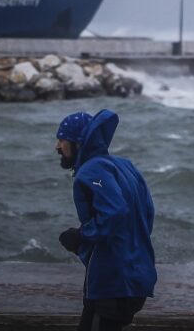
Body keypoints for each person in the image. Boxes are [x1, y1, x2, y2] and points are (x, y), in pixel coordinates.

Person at [55, 109, 157, 331]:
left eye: (62, 139)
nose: (57, 146)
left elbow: (115, 212)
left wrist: (81, 236)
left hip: (112, 282)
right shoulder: (125, 165)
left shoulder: (92, 170)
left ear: (78, 142)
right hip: (136, 273)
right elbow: (147, 213)